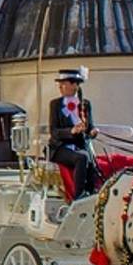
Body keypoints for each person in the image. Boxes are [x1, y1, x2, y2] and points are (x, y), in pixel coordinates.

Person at [48, 67, 99, 199]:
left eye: (63, 84)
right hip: (60, 147)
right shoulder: (55, 105)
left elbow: (89, 127)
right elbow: (54, 132)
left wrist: (92, 131)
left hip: (80, 146)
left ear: (75, 85)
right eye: (60, 84)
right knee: (81, 158)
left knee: (90, 160)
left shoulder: (84, 104)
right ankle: (78, 196)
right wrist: (71, 131)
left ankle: (91, 192)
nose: (60, 87)